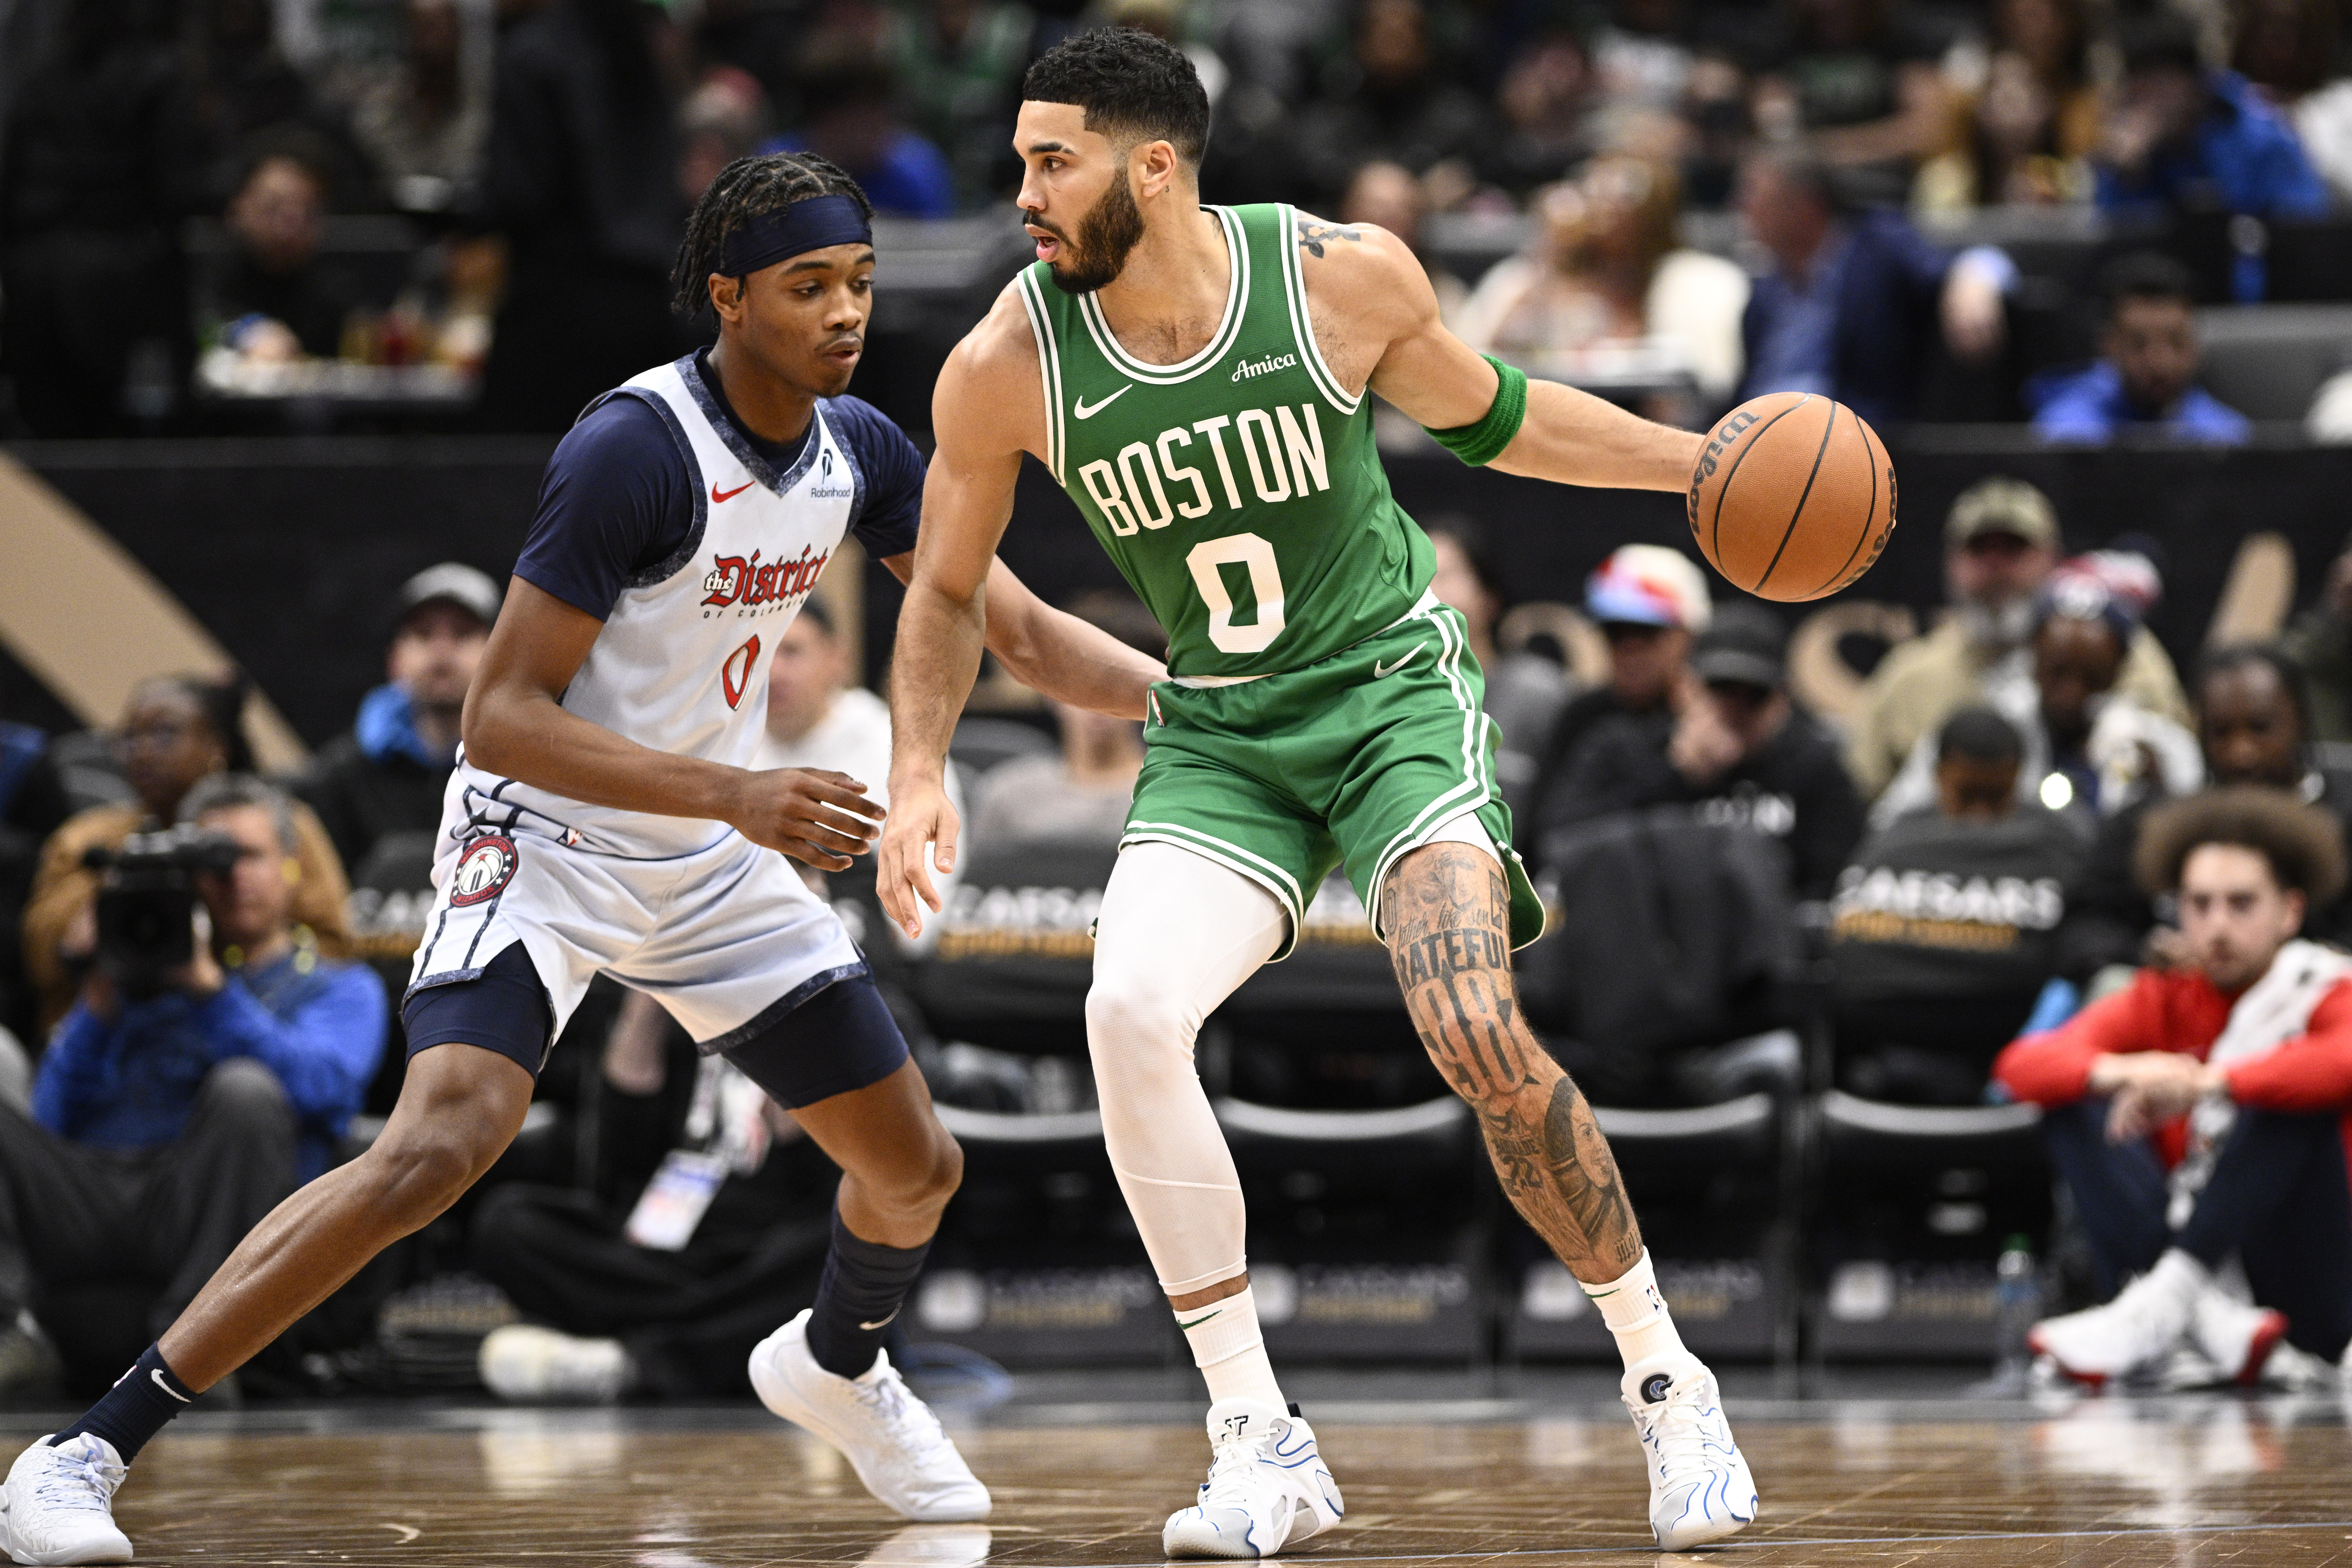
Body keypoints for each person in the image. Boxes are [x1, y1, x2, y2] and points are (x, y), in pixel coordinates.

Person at [0, 152, 1164, 1563]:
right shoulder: (635, 447)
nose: (847, 313)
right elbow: (499, 717)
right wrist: (738, 792)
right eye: (810, 288)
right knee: (442, 1140)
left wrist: (1199, 704)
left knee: (915, 1166)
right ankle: (83, 1450)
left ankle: (839, 1363)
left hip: (706, 845)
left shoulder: (863, 446)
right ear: (729, 298)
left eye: (859, 284)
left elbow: (1018, 630)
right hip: (544, 830)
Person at [875, 29, 1757, 1556]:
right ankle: (1258, 1437)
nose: (1021, 190)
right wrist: (914, 771)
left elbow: (1503, 416)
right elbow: (947, 592)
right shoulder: (1003, 363)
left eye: (1051, 160)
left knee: (1471, 1020)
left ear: (1153, 167)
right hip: (1223, 730)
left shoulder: (1335, 279)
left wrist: (1696, 463)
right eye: (1021, 159)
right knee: (1126, 1011)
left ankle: (1670, 1382)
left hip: (1389, 695)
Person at [0, 776, 384, 1385]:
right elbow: (51, 1120)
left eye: (247, 857)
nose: (231, 878)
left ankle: (192, 1360)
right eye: (211, 862)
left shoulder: (338, 985)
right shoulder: (132, 980)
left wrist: (212, 991)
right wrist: (97, 1004)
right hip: (101, 1198)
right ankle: (12, 1332)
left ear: (289, 867)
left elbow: (326, 1094)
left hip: (212, 1214)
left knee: (245, 1089)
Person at [1997, 788, 2352, 1386]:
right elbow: (2020, 1065)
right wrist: (2124, 1071)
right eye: (2199, 904)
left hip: (2301, 1280)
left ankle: (2173, 1297)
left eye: (2241, 903)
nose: (2216, 924)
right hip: (2172, 1247)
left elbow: (2340, 1060)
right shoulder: (2162, 994)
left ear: (2289, 911)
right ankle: (2191, 1312)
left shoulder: (2321, 984)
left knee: (2282, 1099)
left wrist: (2210, 1084)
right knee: (2072, 1103)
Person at [468, 989, 837, 1403]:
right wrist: (650, 996)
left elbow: (817, 1175)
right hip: (655, 1253)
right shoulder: (669, 1020)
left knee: (846, 1238)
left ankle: (637, 1363)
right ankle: (717, 1340)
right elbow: (618, 1165)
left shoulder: (826, 1007)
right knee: (508, 1222)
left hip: (763, 1253)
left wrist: (780, 1024)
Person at [22, 676, 351, 1037]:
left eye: (165, 734)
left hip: (259, 1022)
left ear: (215, 745)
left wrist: (241, 958)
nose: (144, 751)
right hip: (117, 1025)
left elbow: (334, 945)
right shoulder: (87, 840)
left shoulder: (282, 825)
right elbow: (41, 963)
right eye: (129, 737)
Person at [1844, 477, 2187, 802]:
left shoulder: (2121, 653)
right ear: (1951, 562)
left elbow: (2177, 762)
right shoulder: (1910, 676)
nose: (1996, 566)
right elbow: (1865, 794)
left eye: (2014, 548)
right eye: (1979, 549)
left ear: (2053, 558)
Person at [1830, 706, 2089, 1104]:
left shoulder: (2058, 842)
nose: (1980, 817)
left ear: (2018, 778)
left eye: (1996, 798)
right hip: (1888, 1058)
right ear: (1938, 776)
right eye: (1967, 796)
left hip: (2017, 1061)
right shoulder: (1894, 840)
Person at [2064, 643, 2352, 982]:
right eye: (2221, 732)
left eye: (2260, 728)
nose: (2241, 752)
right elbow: (2082, 928)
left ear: (2300, 720)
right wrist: (2146, 951)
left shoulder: (2345, 811)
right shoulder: (2158, 819)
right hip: (2186, 1011)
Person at [1537, 603, 1865, 900]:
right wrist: (1675, 776)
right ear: (1685, 688)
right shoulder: (1624, 748)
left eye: (1754, 695)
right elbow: (1558, 846)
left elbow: (1836, 883)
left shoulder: (1814, 768)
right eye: (1720, 689)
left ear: (1781, 702)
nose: (1734, 710)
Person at [1732, 144, 2011, 428]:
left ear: (1806, 204)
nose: (1742, 207)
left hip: (1846, 443)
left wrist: (1974, 279)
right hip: (1756, 440)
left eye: (1755, 194)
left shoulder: (1877, 246)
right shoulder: (1766, 287)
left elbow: (1966, 263)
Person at [1454, 156, 1749, 410]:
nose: (1607, 215)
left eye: (1623, 201)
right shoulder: (1529, 278)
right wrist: (1546, 271)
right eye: (1596, 200)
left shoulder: (1699, 283)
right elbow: (1475, 367)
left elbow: (1715, 383)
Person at [2093, 12, 2330, 300]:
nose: (2151, 104)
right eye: (2139, 89)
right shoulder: (2128, 151)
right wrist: (2127, 177)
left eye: (2162, 86)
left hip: (2261, 303)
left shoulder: (2261, 135)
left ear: (2195, 84)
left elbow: (2306, 235)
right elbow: (2113, 251)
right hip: (2162, 303)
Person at [295, 564, 499, 880]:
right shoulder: (338, 780)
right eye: (423, 634)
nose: (441, 650)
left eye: (462, 633)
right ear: (395, 659)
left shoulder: (527, 773)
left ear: (500, 655)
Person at [1522, 542, 1712, 859]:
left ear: (1689, 635)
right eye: (1615, 632)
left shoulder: (1734, 712)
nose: (1630, 649)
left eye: (1647, 631)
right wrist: (1673, 772)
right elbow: (1545, 837)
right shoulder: (1584, 717)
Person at [968, 592, 1164, 852]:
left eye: (1112, 687)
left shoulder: (1170, 797)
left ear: (1144, 694)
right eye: (1079, 688)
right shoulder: (1009, 794)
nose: (1095, 705)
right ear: (1049, 691)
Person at [1418, 520, 1568, 822]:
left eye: (1443, 576)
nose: (1428, 592)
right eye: (1416, 579)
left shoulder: (1538, 691)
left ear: (1489, 598)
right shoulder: (1385, 700)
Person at [2029, 253, 2251, 446]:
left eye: (2175, 342)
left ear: (2195, 345)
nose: (2159, 362)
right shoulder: (2067, 433)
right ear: (2108, 345)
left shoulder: (2227, 438)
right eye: (2138, 345)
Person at [196, 147, 361, 363]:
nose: (289, 226)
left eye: (307, 212)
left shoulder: (334, 286)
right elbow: (203, 321)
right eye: (273, 207)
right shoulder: (203, 271)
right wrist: (249, 333)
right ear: (238, 207)